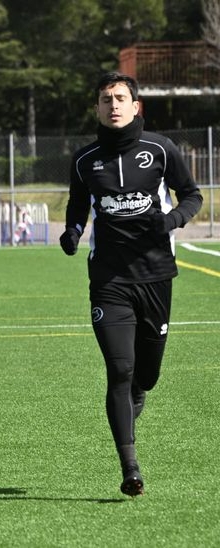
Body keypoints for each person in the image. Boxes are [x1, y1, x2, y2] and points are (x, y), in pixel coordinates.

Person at [59, 72, 203, 497]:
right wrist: (71, 231)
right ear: (98, 109)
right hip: (109, 279)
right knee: (119, 369)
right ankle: (130, 467)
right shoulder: (85, 159)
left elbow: (192, 195)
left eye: (121, 98)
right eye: (106, 99)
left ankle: (139, 392)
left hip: (157, 276)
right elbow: (77, 204)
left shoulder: (160, 149)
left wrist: (171, 221)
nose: (114, 105)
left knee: (147, 375)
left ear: (136, 106)